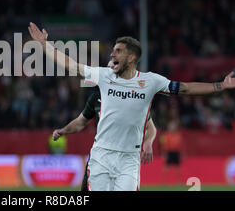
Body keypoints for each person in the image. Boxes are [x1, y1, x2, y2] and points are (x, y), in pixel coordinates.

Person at [28, 22, 235, 191]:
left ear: (132, 57)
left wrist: (220, 85)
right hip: (101, 156)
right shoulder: (104, 75)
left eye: (118, 51)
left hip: (129, 160)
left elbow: (185, 88)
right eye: (113, 50)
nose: (112, 54)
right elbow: (71, 65)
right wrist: (44, 45)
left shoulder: (151, 81)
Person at [53, 61, 157, 191]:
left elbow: (150, 127)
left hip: (125, 157)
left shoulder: (132, 97)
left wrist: (148, 141)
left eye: (113, 70)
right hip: (101, 156)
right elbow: (80, 122)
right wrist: (63, 131)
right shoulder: (96, 98)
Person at [159, 119, 183, 184]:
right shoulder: (165, 135)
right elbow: (163, 145)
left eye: (173, 126)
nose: (172, 127)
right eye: (171, 126)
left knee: (177, 168)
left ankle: (179, 182)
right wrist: (164, 153)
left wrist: (181, 153)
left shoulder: (178, 135)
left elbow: (180, 145)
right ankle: (163, 182)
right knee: (166, 167)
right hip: (169, 152)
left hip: (176, 152)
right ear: (168, 127)